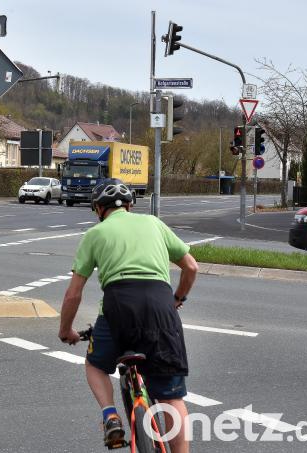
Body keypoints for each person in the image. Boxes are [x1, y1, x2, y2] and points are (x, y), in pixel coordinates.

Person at [58, 178, 198, 453]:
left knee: (95, 365)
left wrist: (66, 331)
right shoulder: (153, 223)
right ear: (131, 205)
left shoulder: (95, 235)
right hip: (160, 305)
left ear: (98, 208)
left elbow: (73, 294)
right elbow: (191, 267)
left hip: (118, 307)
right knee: (171, 397)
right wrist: (176, 300)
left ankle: (110, 415)